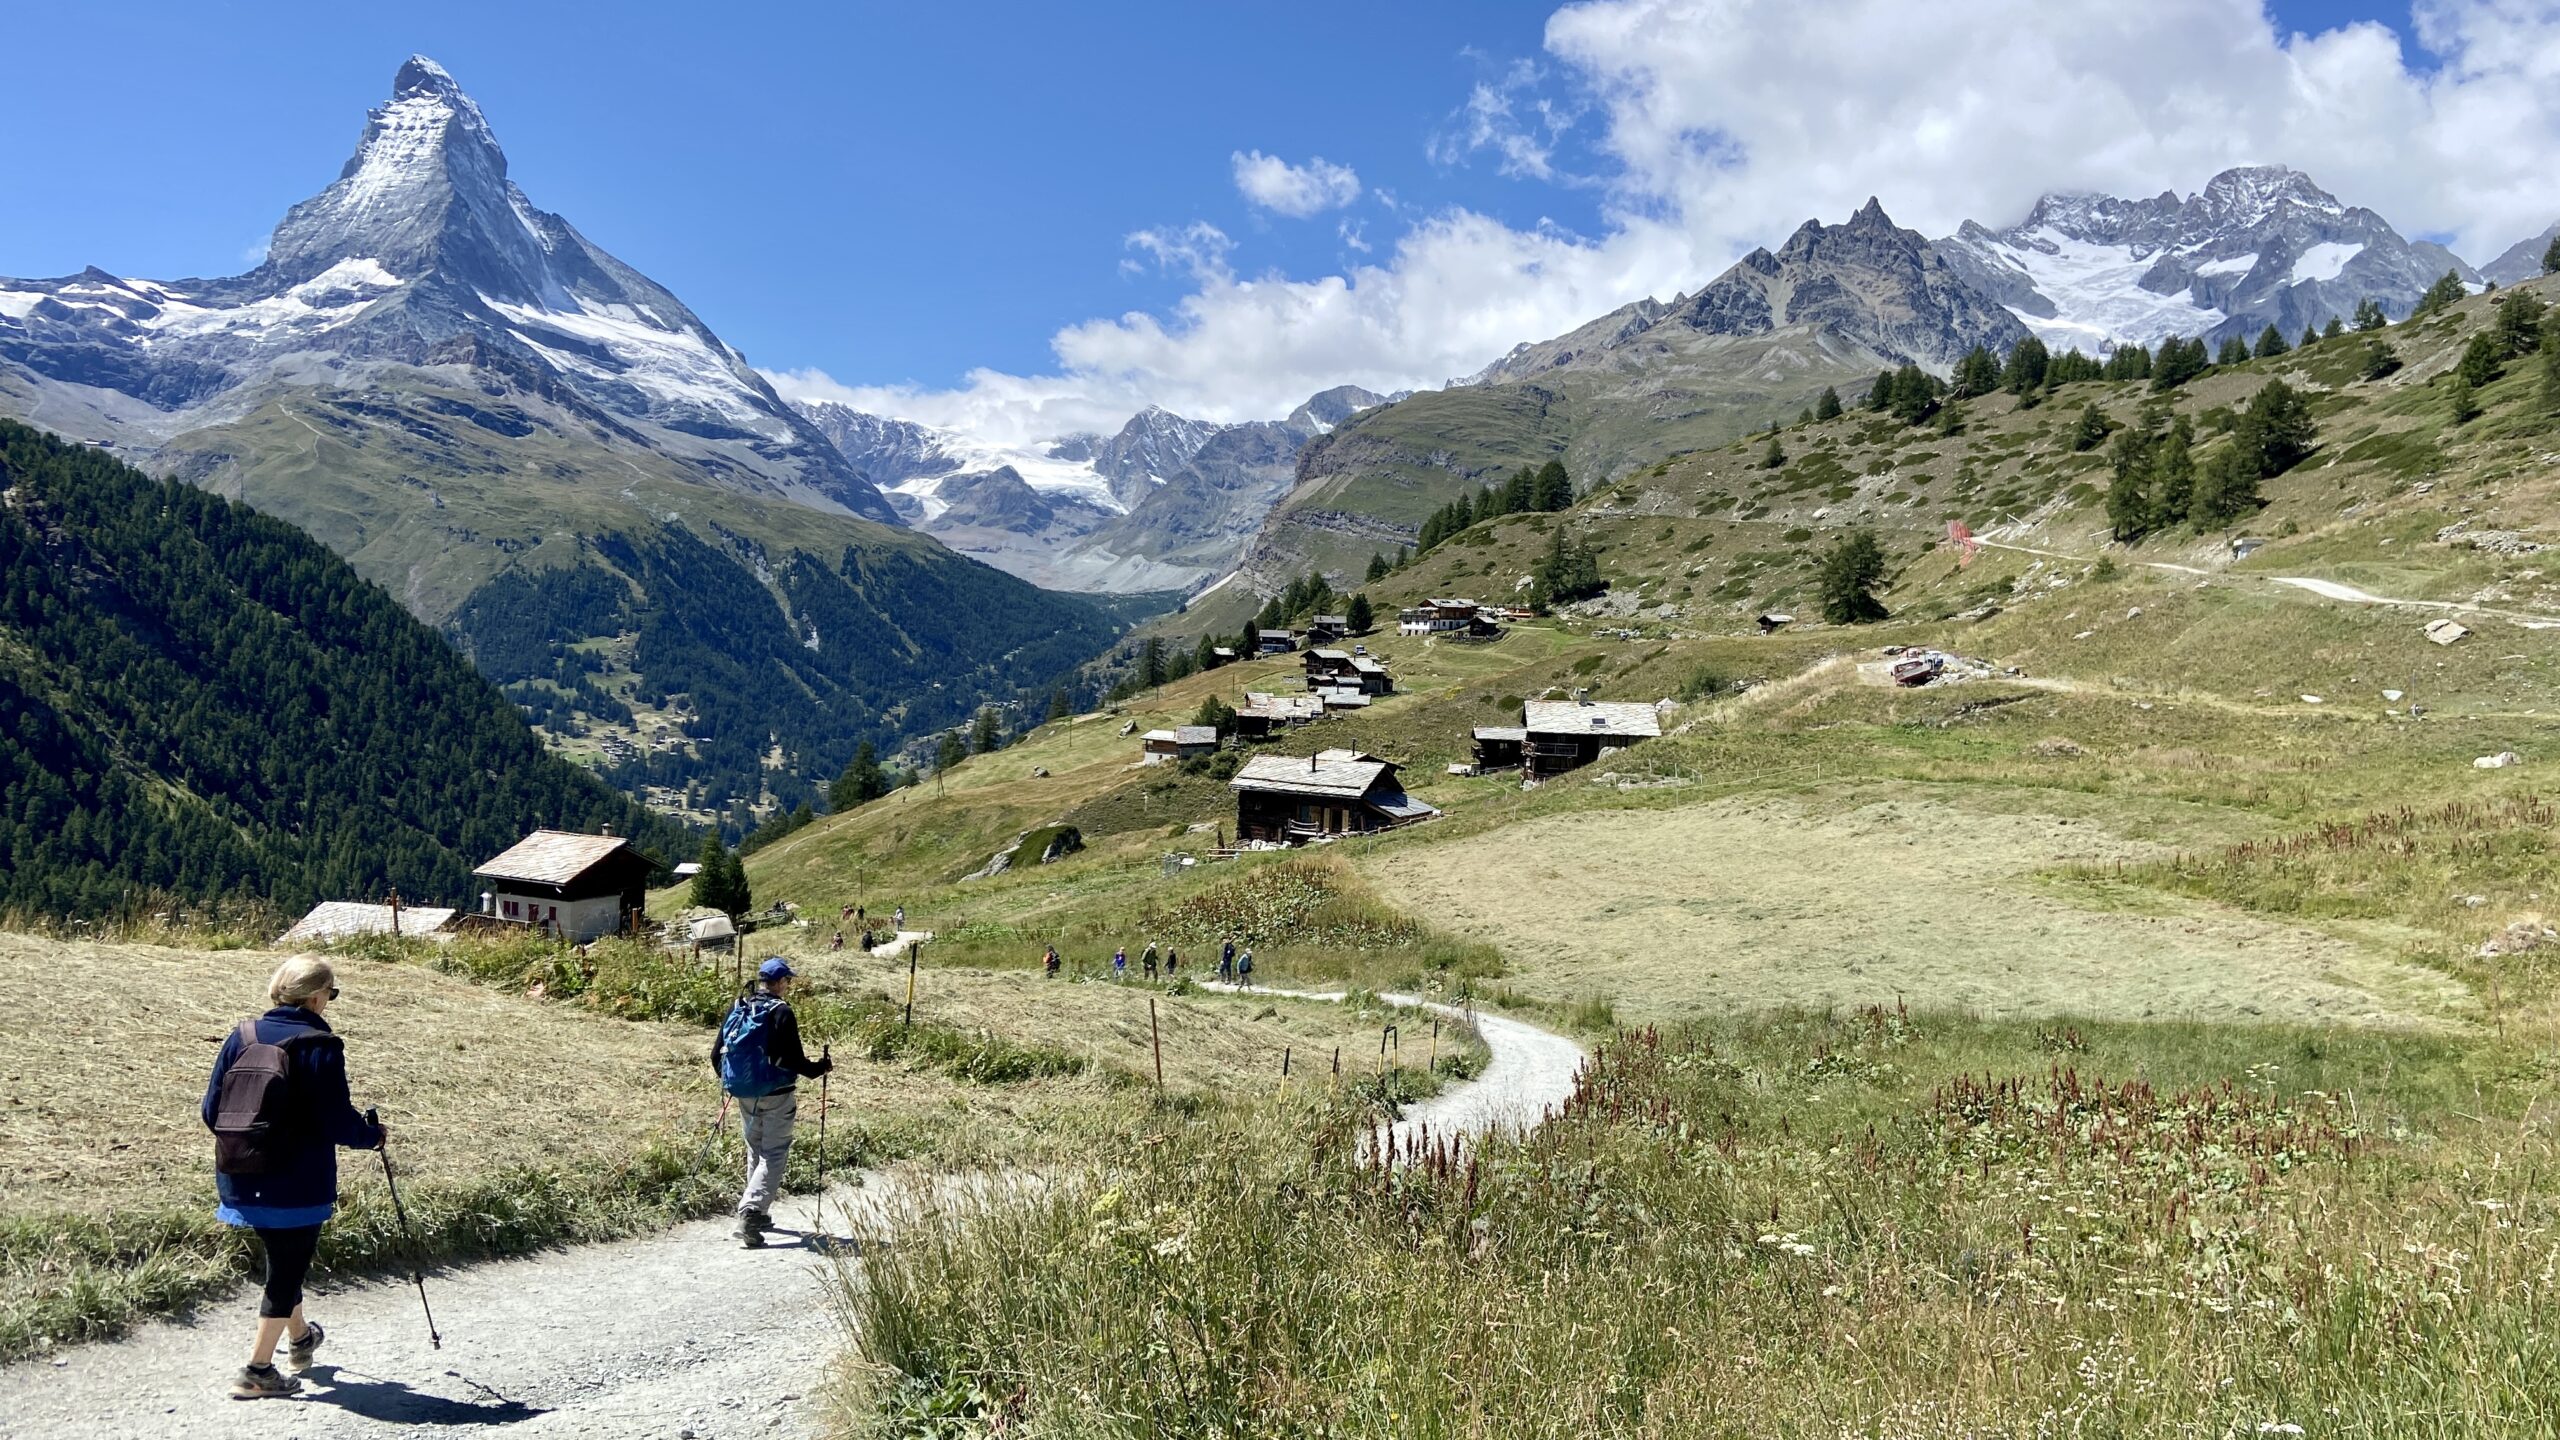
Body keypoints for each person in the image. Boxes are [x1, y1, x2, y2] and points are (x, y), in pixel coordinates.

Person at [201, 955, 386, 1399]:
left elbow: (212, 1112)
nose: (329, 1002)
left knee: (284, 1261)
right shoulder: (319, 1045)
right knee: (286, 1271)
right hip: (297, 1181)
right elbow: (337, 1122)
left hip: (240, 1174)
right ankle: (257, 1371)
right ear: (317, 995)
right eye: (331, 994)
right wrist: (371, 1136)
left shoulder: (242, 1036)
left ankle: (300, 1339)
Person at [712, 958, 834, 1248]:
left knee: (755, 1149)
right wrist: (819, 1068)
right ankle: (751, 1213)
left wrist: (734, 1083)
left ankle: (758, 1210)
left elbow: (716, 1055)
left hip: (742, 1093)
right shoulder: (781, 1012)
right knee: (775, 1153)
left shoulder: (739, 1006)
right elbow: (791, 1058)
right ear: (779, 982)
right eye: (787, 981)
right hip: (777, 1094)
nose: (788, 986)